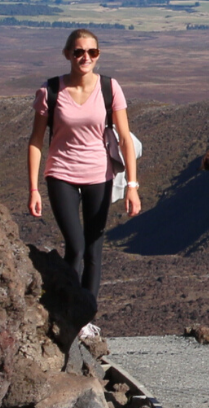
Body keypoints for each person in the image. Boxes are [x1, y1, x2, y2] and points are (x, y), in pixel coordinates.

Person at [27, 28, 141, 342]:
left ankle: (84, 317)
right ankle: (67, 308)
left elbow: (125, 139)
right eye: (78, 52)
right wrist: (33, 188)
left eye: (92, 52)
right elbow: (36, 140)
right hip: (60, 173)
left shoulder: (109, 88)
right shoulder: (50, 90)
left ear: (98, 55)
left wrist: (132, 185)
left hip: (99, 176)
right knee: (75, 246)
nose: (85, 58)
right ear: (68, 54)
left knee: (94, 248)